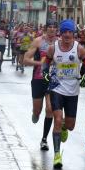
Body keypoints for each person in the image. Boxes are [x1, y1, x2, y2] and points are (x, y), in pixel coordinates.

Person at [42, 19, 85, 168]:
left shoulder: (79, 49)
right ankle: (57, 155)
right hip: (56, 87)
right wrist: (45, 72)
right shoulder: (53, 48)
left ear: (74, 34)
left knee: (70, 126)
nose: (67, 35)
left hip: (72, 91)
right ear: (61, 34)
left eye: (70, 32)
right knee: (57, 119)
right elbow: (46, 63)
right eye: (64, 32)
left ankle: (64, 127)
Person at [24, 20, 58, 151]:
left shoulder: (59, 43)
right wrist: (40, 64)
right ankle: (35, 113)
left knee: (50, 109)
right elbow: (25, 59)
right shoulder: (38, 41)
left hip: (53, 80)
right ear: (46, 29)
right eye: (49, 27)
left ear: (56, 30)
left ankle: (44, 139)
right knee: (37, 111)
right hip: (38, 79)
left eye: (54, 27)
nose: (51, 29)